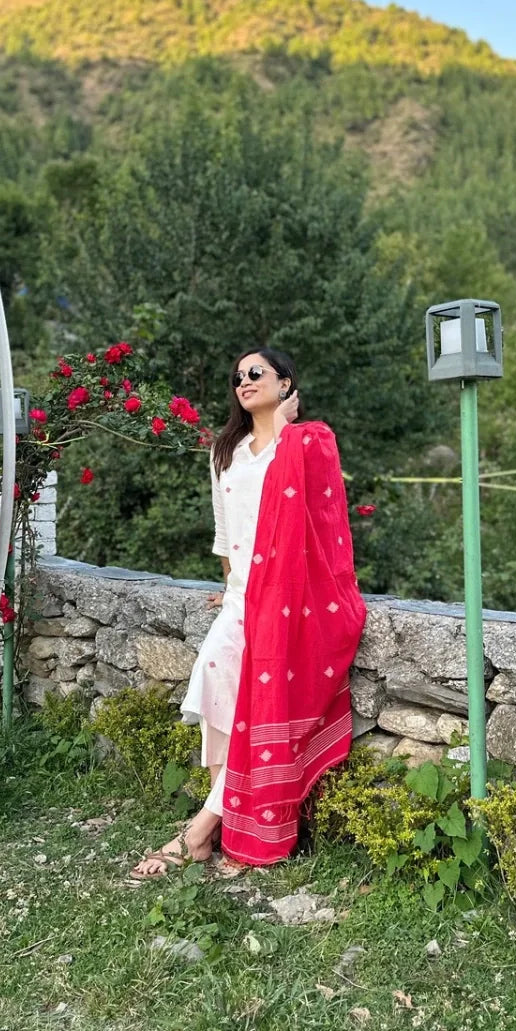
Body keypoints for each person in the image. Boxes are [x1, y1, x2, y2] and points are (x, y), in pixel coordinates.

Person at [131, 347, 365, 874]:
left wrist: (283, 427)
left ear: (286, 384)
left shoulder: (308, 440)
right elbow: (225, 532)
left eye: (256, 372)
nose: (244, 380)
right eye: (238, 376)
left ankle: (201, 830)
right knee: (215, 678)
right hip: (244, 595)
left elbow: (321, 519)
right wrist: (232, 585)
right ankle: (225, 821)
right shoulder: (226, 451)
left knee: (251, 701)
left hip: (291, 599)